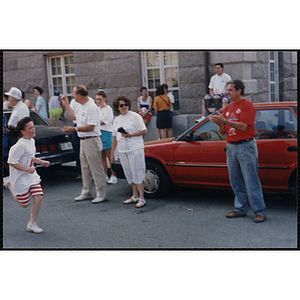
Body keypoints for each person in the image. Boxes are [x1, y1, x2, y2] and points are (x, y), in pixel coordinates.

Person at [209, 79, 266, 223]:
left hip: (245, 146)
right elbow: (223, 132)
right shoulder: (227, 108)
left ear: (239, 91)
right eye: (227, 90)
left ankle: (259, 211)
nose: (227, 92)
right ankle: (240, 208)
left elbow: (244, 127)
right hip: (231, 147)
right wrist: (218, 122)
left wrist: (225, 121)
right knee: (235, 179)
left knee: (251, 179)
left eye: (230, 90)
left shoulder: (247, 105)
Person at [61, 84, 107, 204]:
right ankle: (87, 191)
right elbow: (74, 116)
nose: (73, 96)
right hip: (83, 140)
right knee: (85, 168)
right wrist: (66, 103)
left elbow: (91, 127)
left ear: (80, 95)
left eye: (74, 94)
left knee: (96, 168)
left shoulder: (91, 107)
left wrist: (73, 129)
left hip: (91, 139)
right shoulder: (81, 105)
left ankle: (101, 193)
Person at [4, 117, 50, 233]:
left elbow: (30, 157)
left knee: (38, 196)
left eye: (33, 127)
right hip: (20, 177)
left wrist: (41, 162)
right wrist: (26, 169)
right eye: (30, 128)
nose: (33, 130)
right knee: (24, 204)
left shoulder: (31, 141)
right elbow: (11, 161)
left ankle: (32, 223)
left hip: (31, 175)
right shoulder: (19, 146)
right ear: (23, 132)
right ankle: (9, 184)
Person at [111, 96, 147, 208]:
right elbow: (115, 137)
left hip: (135, 148)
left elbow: (144, 131)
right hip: (122, 150)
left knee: (138, 172)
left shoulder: (135, 116)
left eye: (126, 104)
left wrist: (130, 135)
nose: (124, 107)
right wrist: (112, 153)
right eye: (121, 105)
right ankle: (134, 195)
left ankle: (142, 198)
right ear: (118, 107)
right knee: (129, 173)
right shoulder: (116, 120)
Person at [95, 89, 118, 184]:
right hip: (99, 133)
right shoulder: (97, 109)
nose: (98, 101)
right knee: (102, 156)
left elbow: (103, 122)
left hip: (107, 133)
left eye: (100, 99)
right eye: (96, 99)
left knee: (109, 155)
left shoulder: (108, 109)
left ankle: (113, 175)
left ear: (104, 99)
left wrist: (94, 122)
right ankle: (105, 175)